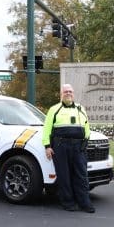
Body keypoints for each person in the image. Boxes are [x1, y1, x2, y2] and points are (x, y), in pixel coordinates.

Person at [42, 84, 95, 213]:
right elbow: (47, 129)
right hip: (60, 147)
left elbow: (86, 126)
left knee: (81, 175)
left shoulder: (80, 108)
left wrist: (86, 140)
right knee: (64, 175)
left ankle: (84, 202)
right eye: (66, 91)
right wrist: (47, 147)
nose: (68, 93)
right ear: (61, 94)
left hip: (79, 147)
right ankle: (68, 203)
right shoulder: (54, 109)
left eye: (70, 91)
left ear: (73, 94)